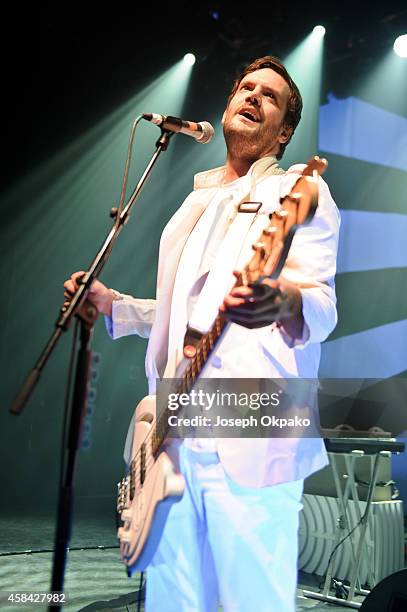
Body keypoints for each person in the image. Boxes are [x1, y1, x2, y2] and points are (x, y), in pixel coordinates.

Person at [64, 56, 340, 612]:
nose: (253, 96)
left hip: (255, 419)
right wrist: (116, 308)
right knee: (173, 600)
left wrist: (281, 301)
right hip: (175, 427)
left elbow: (322, 303)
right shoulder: (195, 202)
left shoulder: (299, 192)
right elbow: (185, 310)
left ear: (284, 131)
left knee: (250, 600)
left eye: (270, 96)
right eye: (246, 87)